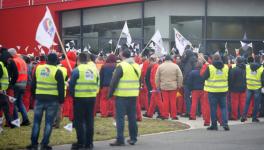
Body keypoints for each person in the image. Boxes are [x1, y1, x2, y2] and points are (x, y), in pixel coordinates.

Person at [27, 53, 65, 150]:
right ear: (57, 61)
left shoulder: (39, 68)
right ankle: (44, 144)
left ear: (47, 59)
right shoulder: (58, 71)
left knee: (36, 122)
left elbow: (34, 83)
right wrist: (61, 101)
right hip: (52, 100)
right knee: (48, 123)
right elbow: (61, 88)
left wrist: (33, 95)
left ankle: (34, 144)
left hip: (39, 98)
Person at [108, 48, 141, 146]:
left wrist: (110, 93)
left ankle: (120, 139)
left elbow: (114, 81)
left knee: (120, 118)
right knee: (132, 118)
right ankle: (133, 138)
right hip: (133, 95)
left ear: (122, 55)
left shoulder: (121, 65)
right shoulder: (136, 66)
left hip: (121, 95)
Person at [69, 52, 99, 150]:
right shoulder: (94, 70)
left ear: (78, 60)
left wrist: (73, 96)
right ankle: (89, 143)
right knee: (89, 121)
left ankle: (81, 142)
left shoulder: (77, 70)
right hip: (91, 98)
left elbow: (71, 85)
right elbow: (98, 83)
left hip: (79, 98)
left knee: (79, 121)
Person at [202, 54, 230, 131]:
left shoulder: (210, 67)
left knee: (213, 108)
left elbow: (203, 77)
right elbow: (229, 78)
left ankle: (214, 125)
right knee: (224, 108)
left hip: (212, 91)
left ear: (213, 59)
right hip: (223, 90)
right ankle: (225, 124)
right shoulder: (226, 67)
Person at [155, 55, 183, 120]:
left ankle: (165, 115)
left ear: (165, 59)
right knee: (173, 101)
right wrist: (179, 85)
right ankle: (174, 115)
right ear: (171, 59)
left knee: (165, 101)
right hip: (173, 86)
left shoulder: (160, 66)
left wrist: (158, 86)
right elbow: (180, 76)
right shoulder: (175, 66)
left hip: (164, 86)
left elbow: (157, 77)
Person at [8, 48, 30, 126]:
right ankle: (26, 119)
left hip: (16, 84)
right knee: (20, 102)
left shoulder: (13, 61)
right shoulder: (22, 60)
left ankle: (15, 121)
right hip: (23, 84)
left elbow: (12, 73)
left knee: (13, 102)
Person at [241, 56, 264, 122]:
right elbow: (263, 80)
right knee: (256, 103)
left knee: (247, 103)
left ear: (254, 60)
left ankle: (243, 116)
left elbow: (244, 75)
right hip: (257, 88)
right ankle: (254, 118)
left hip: (249, 86)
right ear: (260, 60)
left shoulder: (248, 67)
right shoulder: (261, 68)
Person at [187, 61, 210, 126]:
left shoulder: (192, 72)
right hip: (203, 89)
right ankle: (205, 117)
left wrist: (190, 89)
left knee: (194, 103)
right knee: (204, 104)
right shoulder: (204, 72)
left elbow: (189, 82)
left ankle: (192, 116)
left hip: (195, 90)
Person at [0, 51, 15, 129]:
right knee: (6, 106)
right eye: (9, 59)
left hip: (3, 90)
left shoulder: (4, 65)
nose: (9, 61)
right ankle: (11, 123)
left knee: (6, 107)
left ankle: (10, 123)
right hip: (1, 91)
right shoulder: (1, 65)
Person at [181, 49, 197, 117]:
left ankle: (188, 112)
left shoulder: (189, 61)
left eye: (185, 54)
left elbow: (187, 72)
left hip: (188, 82)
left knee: (187, 97)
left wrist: (183, 81)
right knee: (193, 98)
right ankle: (194, 112)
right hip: (194, 82)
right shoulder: (193, 60)